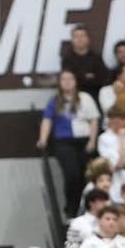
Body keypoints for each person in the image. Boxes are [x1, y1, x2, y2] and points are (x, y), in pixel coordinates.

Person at [38, 70, 100, 216]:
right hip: (63, 141)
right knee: (72, 174)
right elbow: (47, 120)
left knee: (86, 175)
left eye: (70, 79)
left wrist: (92, 140)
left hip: (83, 140)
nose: (67, 82)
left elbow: (93, 120)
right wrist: (43, 139)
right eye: (63, 79)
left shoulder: (85, 98)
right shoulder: (54, 101)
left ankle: (86, 207)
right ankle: (71, 208)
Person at [61, 24, 109, 102]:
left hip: (95, 96)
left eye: (82, 36)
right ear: (72, 40)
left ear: (88, 39)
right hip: (75, 97)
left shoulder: (96, 57)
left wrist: (83, 77)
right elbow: (69, 80)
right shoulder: (67, 59)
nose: (80, 39)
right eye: (76, 36)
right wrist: (87, 77)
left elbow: (103, 78)